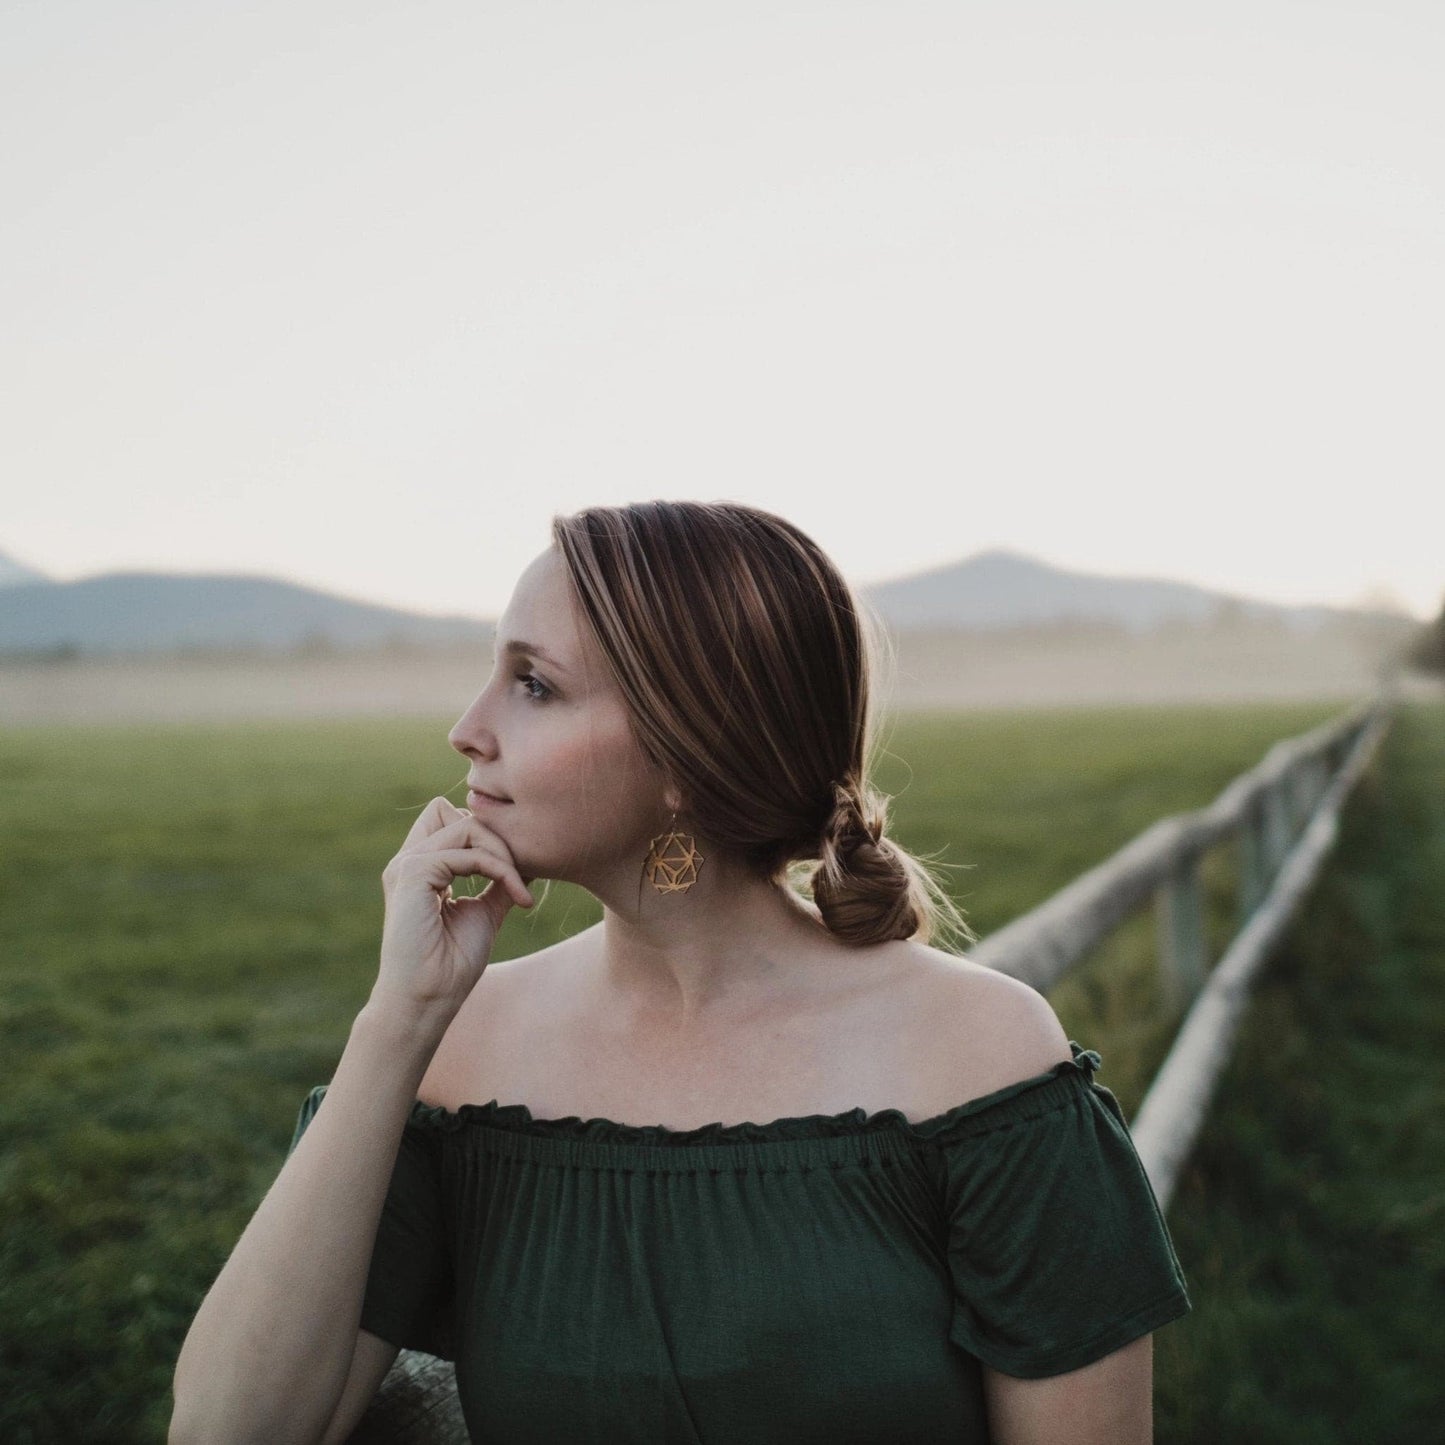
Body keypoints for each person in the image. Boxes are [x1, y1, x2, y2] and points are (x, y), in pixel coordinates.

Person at [170, 500, 1190, 1444]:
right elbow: (228, 1428)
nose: (466, 727)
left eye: (533, 683)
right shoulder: (461, 1050)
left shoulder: (982, 1058)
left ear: (681, 756)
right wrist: (398, 1019)